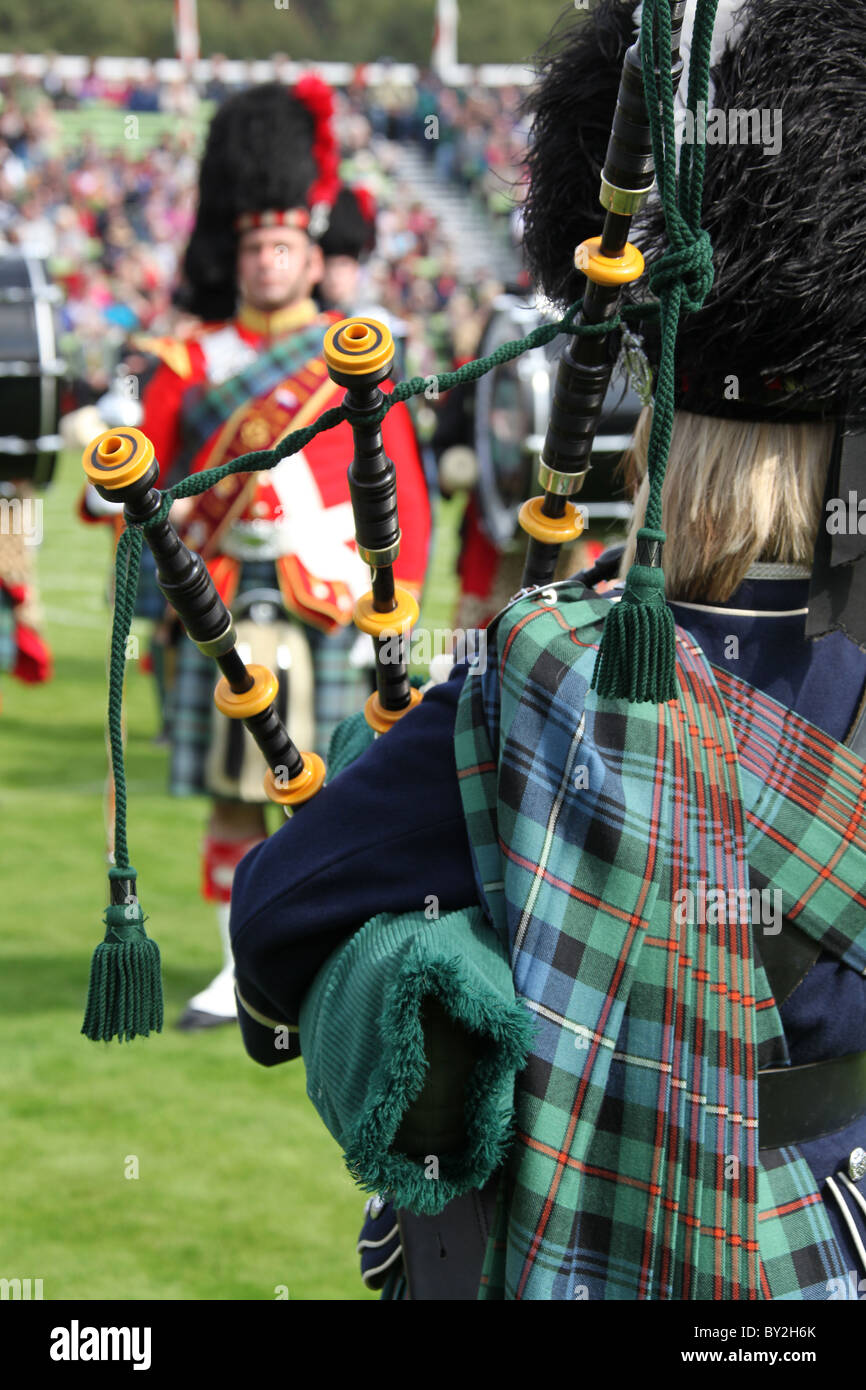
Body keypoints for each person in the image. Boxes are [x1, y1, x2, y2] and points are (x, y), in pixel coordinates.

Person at [228, 0, 866, 1299]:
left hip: (607, 1246)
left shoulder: (528, 680)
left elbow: (277, 919)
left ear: (646, 407)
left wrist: (442, 926)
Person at [136, 80, 431, 1030]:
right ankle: (235, 973)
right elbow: (145, 497)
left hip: (328, 599)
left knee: (336, 793)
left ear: (313, 254)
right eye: (253, 247)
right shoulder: (191, 361)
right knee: (233, 794)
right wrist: (150, 608)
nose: (265, 263)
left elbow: (402, 485)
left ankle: (330, 969)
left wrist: (397, 593)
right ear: (236, 251)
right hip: (220, 599)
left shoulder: (350, 356)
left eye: (283, 247)